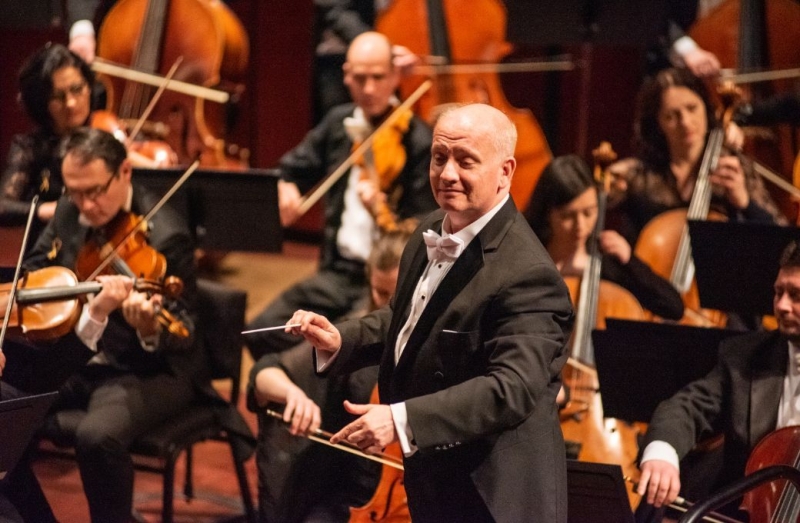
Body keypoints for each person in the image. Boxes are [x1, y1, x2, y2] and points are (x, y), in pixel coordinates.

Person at [286, 103, 574, 522]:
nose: (447, 173)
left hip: (492, 494)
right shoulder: (430, 230)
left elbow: (510, 388)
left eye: (466, 161)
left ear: (506, 172)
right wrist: (343, 338)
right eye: (440, 157)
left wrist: (401, 420)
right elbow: (409, 319)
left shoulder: (529, 275)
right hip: (435, 474)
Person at [22, 127, 201, 523]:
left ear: (124, 172)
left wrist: (149, 328)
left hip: (145, 369)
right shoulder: (72, 210)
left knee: (96, 436)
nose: (85, 205)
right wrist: (75, 299)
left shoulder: (167, 234)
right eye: (74, 192)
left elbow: (186, 330)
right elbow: (35, 271)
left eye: (95, 192)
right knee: (9, 406)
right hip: (77, 356)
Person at [245, 31, 437, 360]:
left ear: (395, 76)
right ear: (346, 75)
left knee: (339, 356)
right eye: (360, 78)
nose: (370, 89)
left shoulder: (417, 139)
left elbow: (425, 225)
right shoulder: (339, 124)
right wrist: (286, 187)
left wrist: (381, 208)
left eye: (378, 77)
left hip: (381, 282)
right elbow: (288, 169)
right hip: (337, 272)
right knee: (263, 331)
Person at [247, 229, 409, 523]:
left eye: (394, 295)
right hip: (353, 500)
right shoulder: (352, 336)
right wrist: (292, 393)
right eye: (379, 291)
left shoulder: (437, 347)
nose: (385, 303)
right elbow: (266, 371)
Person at [636, 240, 800, 518]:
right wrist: (662, 454)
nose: (782, 305)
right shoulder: (746, 356)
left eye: (795, 295)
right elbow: (687, 407)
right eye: (778, 292)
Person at [608, 67, 784, 249]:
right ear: (658, 123)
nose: (685, 122)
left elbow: (781, 239)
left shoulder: (731, 167)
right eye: (671, 116)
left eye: (692, 108)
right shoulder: (640, 176)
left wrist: (744, 201)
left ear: (705, 108)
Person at [526, 154, 683, 321]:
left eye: (589, 212)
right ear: (547, 213)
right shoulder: (527, 255)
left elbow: (673, 307)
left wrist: (630, 261)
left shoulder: (607, 260)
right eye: (567, 216)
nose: (580, 225)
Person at [1, 43, 101, 245]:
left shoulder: (106, 135)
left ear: (89, 88)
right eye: (58, 96)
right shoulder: (29, 148)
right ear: (42, 102)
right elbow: (2, 206)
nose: (71, 103)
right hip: (50, 249)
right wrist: (49, 210)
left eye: (76, 89)